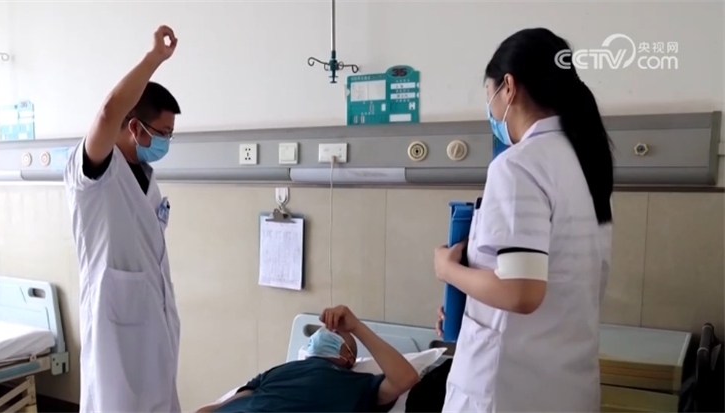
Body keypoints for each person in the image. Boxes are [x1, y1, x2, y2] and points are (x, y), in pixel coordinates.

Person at [431, 27, 614, 412]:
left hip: (509, 389)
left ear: (509, 87)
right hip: (566, 385)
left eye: (489, 95)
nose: (491, 110)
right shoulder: (584, 161)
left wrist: (448, 270)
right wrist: (472, 304)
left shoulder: (518, 165)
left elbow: (521, 292)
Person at [64, 25, 183, 412]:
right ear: (134, 126)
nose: (166, 142)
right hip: (114, 336)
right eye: (163, 133)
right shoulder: (95, 170)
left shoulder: (146, 177)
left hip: (153, 333)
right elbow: (108, 111)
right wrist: (154, 58)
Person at [196, 305, 421, 413]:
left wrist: (356, 327)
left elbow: (405, 378)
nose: (326, 330)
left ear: (348, 356)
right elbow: (237, 399)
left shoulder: (356, 384)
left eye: (336, 332)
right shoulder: (281, 370)